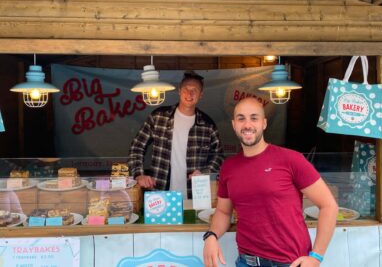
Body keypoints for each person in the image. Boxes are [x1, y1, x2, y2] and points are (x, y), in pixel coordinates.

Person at [203, 97, 338, 267]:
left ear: (264, 123)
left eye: (254, 118)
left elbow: (328, 205)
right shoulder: (229, 167)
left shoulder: (290, 159)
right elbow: (223, 212)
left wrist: (316, 256)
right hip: (247, 262)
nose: (247, 125)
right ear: (234, 124)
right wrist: (211, 236)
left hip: (290, 262)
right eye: (241, 118)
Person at [128, 71, 224, 199]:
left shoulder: (207, 124)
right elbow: (137, 147)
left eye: (194, 90)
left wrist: (204, 173)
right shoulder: (158, 117)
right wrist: (138, 174)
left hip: (196, 195)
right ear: (179, 91)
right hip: (160, 193)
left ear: (201, 95)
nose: (189, 94)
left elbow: (219, 156)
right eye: (186, 89)